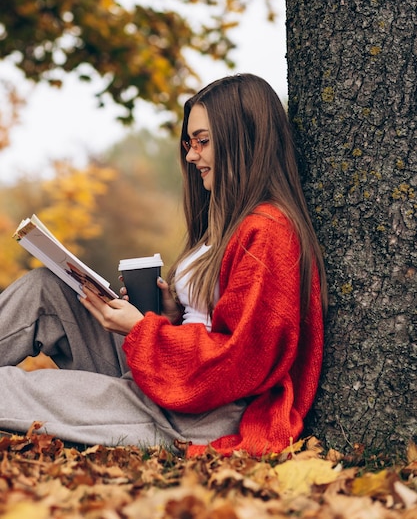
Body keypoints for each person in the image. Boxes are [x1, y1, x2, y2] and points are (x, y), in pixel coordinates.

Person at [0, 73, 327, 457]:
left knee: (9, 390)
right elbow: (209, 323)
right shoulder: (226, 223)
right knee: (45, 287)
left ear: (244, 140)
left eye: (203, 141)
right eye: (189, 143)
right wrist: (170, 314)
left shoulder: (268, 233)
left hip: (199, 412)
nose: (191, 156)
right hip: (168, 376)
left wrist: (142, 330)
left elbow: (240, 362)